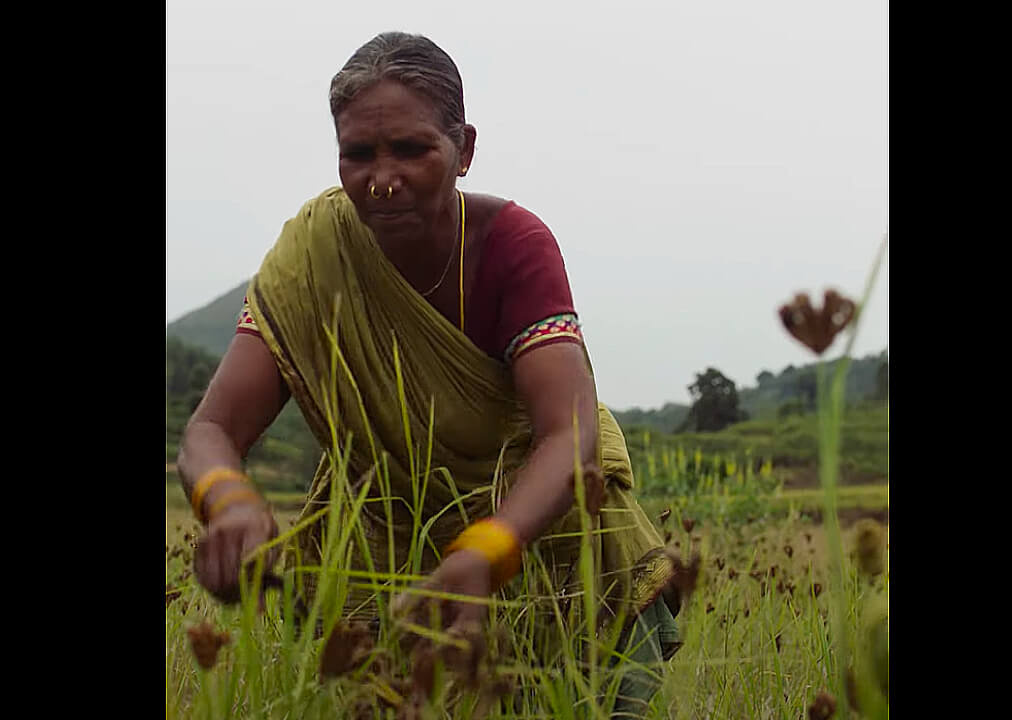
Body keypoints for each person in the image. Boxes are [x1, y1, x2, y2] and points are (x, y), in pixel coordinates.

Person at [177, 31, 681, 716]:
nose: (382, 177)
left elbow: (570, 434)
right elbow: (212, 428)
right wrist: (229, 500)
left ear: (464, 150)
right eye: (358, 154)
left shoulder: (512, 248)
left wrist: (489, 548)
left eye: (412, 150)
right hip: (383, 570)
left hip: (554, 554)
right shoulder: (314, 252)